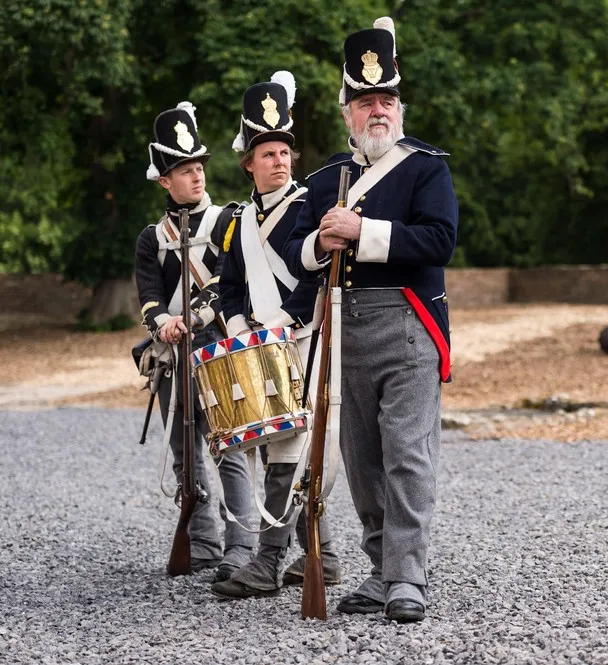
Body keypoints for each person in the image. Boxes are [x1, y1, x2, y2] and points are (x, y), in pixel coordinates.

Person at [282, 16, 458, 623]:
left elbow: (440, 240)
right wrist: (320, 245)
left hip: (408, 323)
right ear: (346, 111)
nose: (377, 111)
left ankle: (408, 577)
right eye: (365, 102)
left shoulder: (426, 168)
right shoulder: (327, 176)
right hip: (345, 328)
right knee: (361, 460)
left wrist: (362, 231)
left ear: (399, 106)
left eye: (386, 100)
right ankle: (382, 570)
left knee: (408, 453)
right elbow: (296, 253)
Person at [210, 72, 343, 600]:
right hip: (259, 349)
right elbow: (229, 287)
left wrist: (284, 324)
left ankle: (267, 562)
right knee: (276, 446)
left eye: (284, 151)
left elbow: (316, 273)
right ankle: (325, 555)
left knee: (296, 450)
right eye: (268, 153)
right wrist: (244, 332)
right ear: (249, 163)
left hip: (306, 340)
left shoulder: (311, 205)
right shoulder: (235, 222)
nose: (280, 160)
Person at [133, 101, 256, 581]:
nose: (196, 176)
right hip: (173, 354)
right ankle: (201, 540)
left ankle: (241, 545)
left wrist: (197, 315)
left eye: (198, 166)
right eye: (184, 170)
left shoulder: (226, 221)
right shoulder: (151, 238)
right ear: (164, 180)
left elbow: (230, 282)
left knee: (229, 446)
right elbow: (148, 297)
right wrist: (162, 322)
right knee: (186, 454)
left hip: (217, 347)